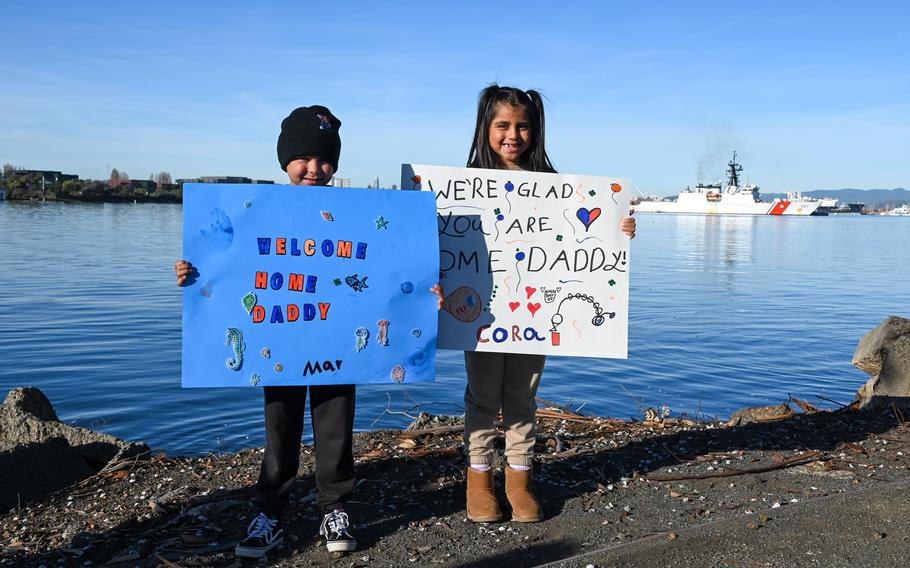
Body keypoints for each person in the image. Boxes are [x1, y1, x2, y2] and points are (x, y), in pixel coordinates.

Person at [175, 106, 358, 558]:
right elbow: (226, 259)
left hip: (335, 338)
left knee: (336, 421)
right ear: (284, 161)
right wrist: (192, 274)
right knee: (280, 422)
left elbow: (389, 261)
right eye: (304, 159)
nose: (315, 169)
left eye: (324, 160)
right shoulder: (258, 211)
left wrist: (417, 288)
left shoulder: (354, 211)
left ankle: (335, 506)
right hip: (279, 338)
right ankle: (271, 511)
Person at [460, 85, 636, 523]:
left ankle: (518, 480)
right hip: (482, 311)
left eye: (523, 126)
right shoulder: (462, 184)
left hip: (535, 313)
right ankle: (478, 479)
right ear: (486, 129)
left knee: (522, 394)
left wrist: (620, 229)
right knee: (483, 396)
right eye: (503, 125)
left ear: (536, 132)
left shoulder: (557, 188)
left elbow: (589, 242)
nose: (512, 135)